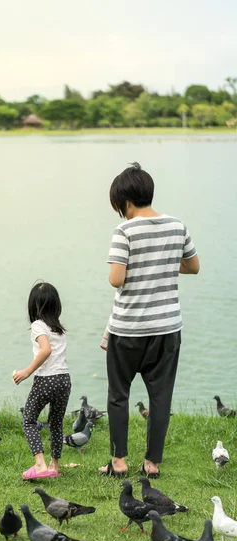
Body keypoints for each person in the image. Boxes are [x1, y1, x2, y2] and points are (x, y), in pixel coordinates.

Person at [100, 162, 199, 478]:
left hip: (128, 329)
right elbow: (193, 266)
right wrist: (163, 267)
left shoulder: (124, 231)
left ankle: (118, 462)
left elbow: (117, 279)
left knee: (119, 395)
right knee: (160, 397)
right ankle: (152, 462)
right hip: (167, 328)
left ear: (126, 201)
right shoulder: (178, 225)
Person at [13, 282, 71, 480]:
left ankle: (40, 464)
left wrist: (27, 371)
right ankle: (55, 466)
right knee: (56, 423)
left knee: (28, 420)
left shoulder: (38, 325)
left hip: (46, 379)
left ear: (33, 306)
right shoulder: (58, 327)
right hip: (64, 379)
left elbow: (46, 350)